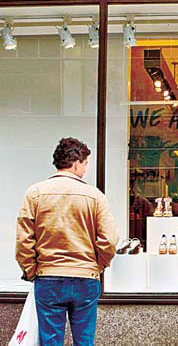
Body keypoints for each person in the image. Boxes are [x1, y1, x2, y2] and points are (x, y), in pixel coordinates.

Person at [16, 137, 119, 346]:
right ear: (76, 162)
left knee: (50, 340)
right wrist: (99, 265)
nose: (85, 169)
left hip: (48, 277)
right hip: (86, 277)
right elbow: (109, 240)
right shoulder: (95, 196)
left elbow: (24, 240)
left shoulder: (35, 193)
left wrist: (31, 269)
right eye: (85, 164)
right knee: (84, 340)